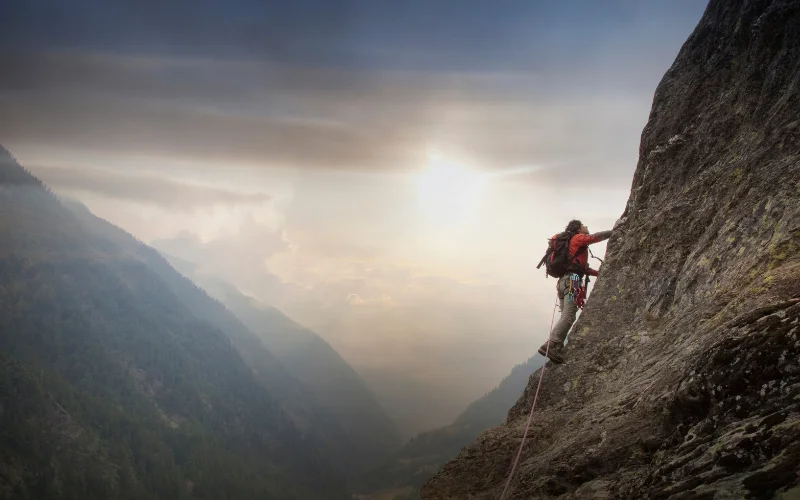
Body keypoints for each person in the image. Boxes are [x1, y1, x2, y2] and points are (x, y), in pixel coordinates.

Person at [537, 220, 612, 364]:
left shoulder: (569, 244)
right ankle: (552, 344)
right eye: (584, 225)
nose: (586, 227)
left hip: (563, 282)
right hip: (573, 281)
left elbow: (581, 268)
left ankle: (556, 346)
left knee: (565, 314)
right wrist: (614, 231)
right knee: (569, 315)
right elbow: (594, 237)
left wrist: (600, 273)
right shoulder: (577, 238)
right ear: (578, 228)